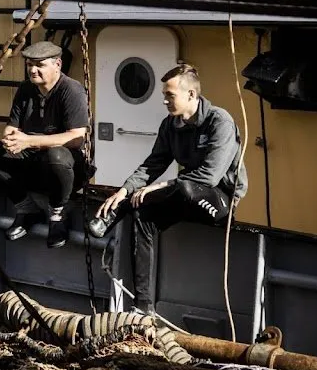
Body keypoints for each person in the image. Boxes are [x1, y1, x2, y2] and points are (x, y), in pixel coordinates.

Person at [89, 64, 247, 314]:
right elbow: (154, 164)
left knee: (184, 188)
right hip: (185, 193)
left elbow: (210, 175)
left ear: (191, 95)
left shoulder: (220, 121)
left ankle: (117, 213)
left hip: (218, 200)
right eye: (164, 95)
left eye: (169, 95)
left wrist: (161, 186)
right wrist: (125, 190)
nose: (164, 100)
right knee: (143, 214)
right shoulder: (169, 125)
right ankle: (143, 306)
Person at [0, 40, 89, 248]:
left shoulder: (71, 90)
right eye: (29, 65)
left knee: (57, 156)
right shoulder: (26, 89)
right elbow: (13, 125)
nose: (33, 71)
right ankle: (26, 208)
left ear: (57, 65)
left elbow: (76, 137)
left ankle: (57, 215)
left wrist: (28, 141)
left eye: (40, 65)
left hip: (64, 168)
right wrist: (11, 138)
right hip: (33, 160)